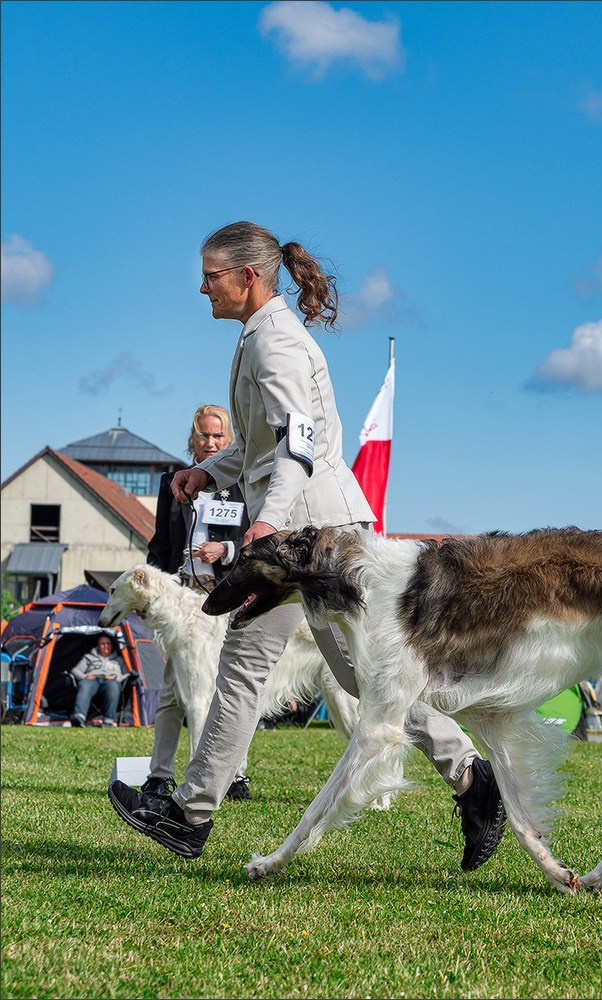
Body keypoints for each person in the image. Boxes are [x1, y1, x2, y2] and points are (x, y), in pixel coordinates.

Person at [109, 221, 505, 869]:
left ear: (247, 278)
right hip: (299, 540)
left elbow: (297, 447)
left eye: (210, 276)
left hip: (319, 543)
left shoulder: (278, 346)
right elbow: (262, 443)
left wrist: (266, 526)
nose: (202, 288)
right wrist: (210, 471)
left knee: (359, 676)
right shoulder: (257, 337)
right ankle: (191, 813)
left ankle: (474, 780)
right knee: (273, 666)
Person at [142, 404, 252, 802]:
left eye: (218, 436)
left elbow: (259, 544)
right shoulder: (173, 483)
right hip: (183, 600)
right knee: (174, 691)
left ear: (230, 441)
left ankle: (236, 774)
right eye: (204, 435)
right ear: (193, 439)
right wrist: (150, 593)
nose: (210, 442)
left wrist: (224, 549)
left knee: (230, 686)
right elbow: (160, 546)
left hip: (226, 599)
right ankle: (160, 773)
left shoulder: (242, 484)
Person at [70, 634, 124, 728]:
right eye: (102, 644)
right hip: (93, 679)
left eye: (108, 643)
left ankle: (108, 721)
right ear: (98, 646)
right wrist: (84, 676)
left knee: (113, 686)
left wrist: (115, 677)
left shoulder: (119, 659)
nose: (106, 646)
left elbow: (127, 673)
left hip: (110, 680)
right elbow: (75, 670)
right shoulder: (89, 657)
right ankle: (79, 717)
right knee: (84, 685)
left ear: (112, 645)